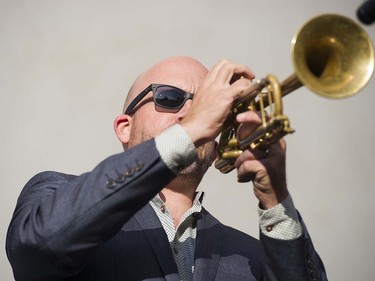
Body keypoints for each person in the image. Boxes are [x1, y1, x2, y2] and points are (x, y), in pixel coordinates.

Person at [6, 56, 327, 281]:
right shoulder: (54, 194)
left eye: (206, 104)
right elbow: (37, 245)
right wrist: (189, 129)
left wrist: (275, 198)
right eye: (170, 98)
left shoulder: (249, 254)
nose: (190, 111)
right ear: (124, 128)